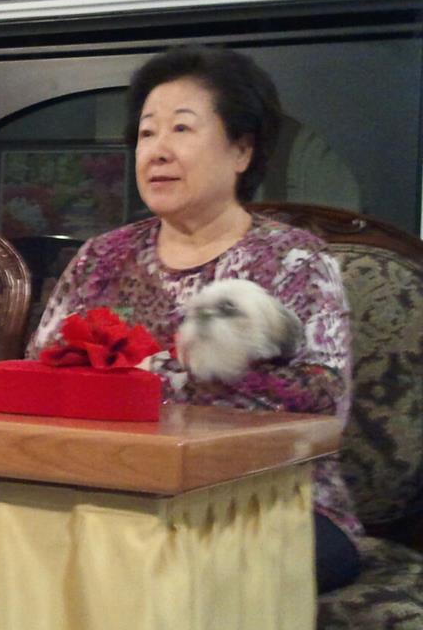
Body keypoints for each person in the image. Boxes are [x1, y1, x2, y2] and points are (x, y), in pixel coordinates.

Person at [27, 46, 362, 593]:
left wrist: (162, 373)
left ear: (242, 150)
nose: (157, 151)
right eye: (146, 133)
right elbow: (42, 369)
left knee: (168, 573)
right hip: (117, 490)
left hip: (272, 502)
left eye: (181, 129)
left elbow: (326, 406)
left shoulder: (295, 260)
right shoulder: (101, 257)